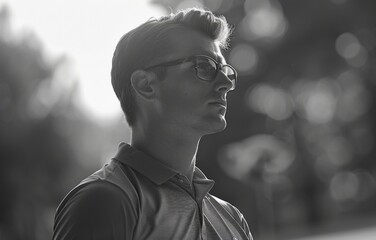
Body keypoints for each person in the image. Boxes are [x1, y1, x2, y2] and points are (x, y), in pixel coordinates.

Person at [53, 8, 253, 240]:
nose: (225, 84)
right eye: (205, 66)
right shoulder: (104, 201)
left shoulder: (231, 217)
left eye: (225, 71)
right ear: (145, 85)